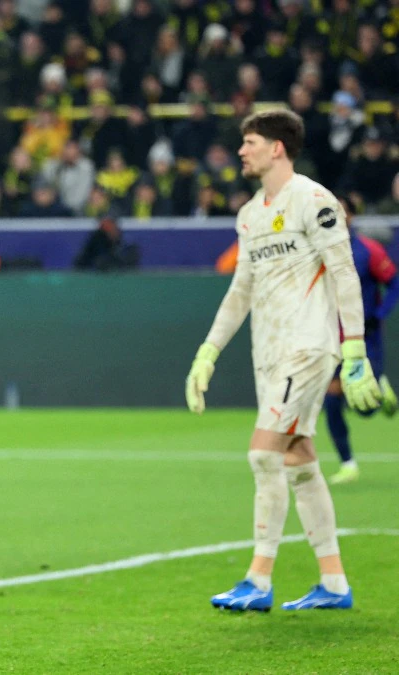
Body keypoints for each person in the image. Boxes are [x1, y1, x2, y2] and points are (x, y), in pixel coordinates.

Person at [185, 110, 381, 612]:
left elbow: (343, 273)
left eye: (249, 142)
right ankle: (334, 583)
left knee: (263, 454)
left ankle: (258, 578)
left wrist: (354, 349)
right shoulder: (250, 215)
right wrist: (209, 350)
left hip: (308, 346)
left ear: (277, 148)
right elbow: (240, 290)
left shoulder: (314, 200)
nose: (241, 151)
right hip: (267, 352)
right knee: (297, 460)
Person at [322, 195, 399, 485]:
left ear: (351, 217)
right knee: (331, 400)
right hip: (332, 339)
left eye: (340, 212)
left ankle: (380, 390)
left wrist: (379, 314)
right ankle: (347, 463)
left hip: (364, 338)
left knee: (364, 407)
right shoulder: (319, 252)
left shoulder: (368, 251)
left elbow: (394, 283)